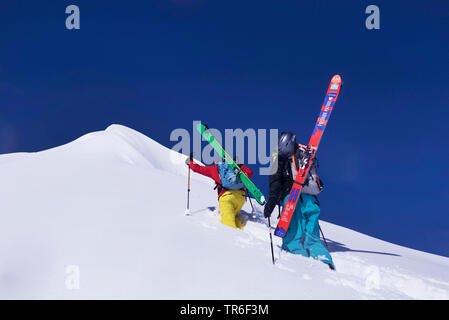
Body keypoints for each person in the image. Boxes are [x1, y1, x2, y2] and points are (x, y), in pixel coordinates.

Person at [263, 132, 335, 270]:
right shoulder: (303, 153)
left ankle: (297, 259)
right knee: (312, 235)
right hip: (310, 200)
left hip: (292, 201)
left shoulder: (278, 160)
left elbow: (275, 182)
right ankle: (323, 258)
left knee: (293, 234)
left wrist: (272, 200)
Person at [186, 157, 253, 230]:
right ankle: (242, 233)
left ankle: (231, 237)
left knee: (228, 223)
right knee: (234, 217)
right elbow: (250, 172)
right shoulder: (237, 167)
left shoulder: (215, 169)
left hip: (227, 197)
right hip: (241, 198)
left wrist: (190, 162)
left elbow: (198, 169)